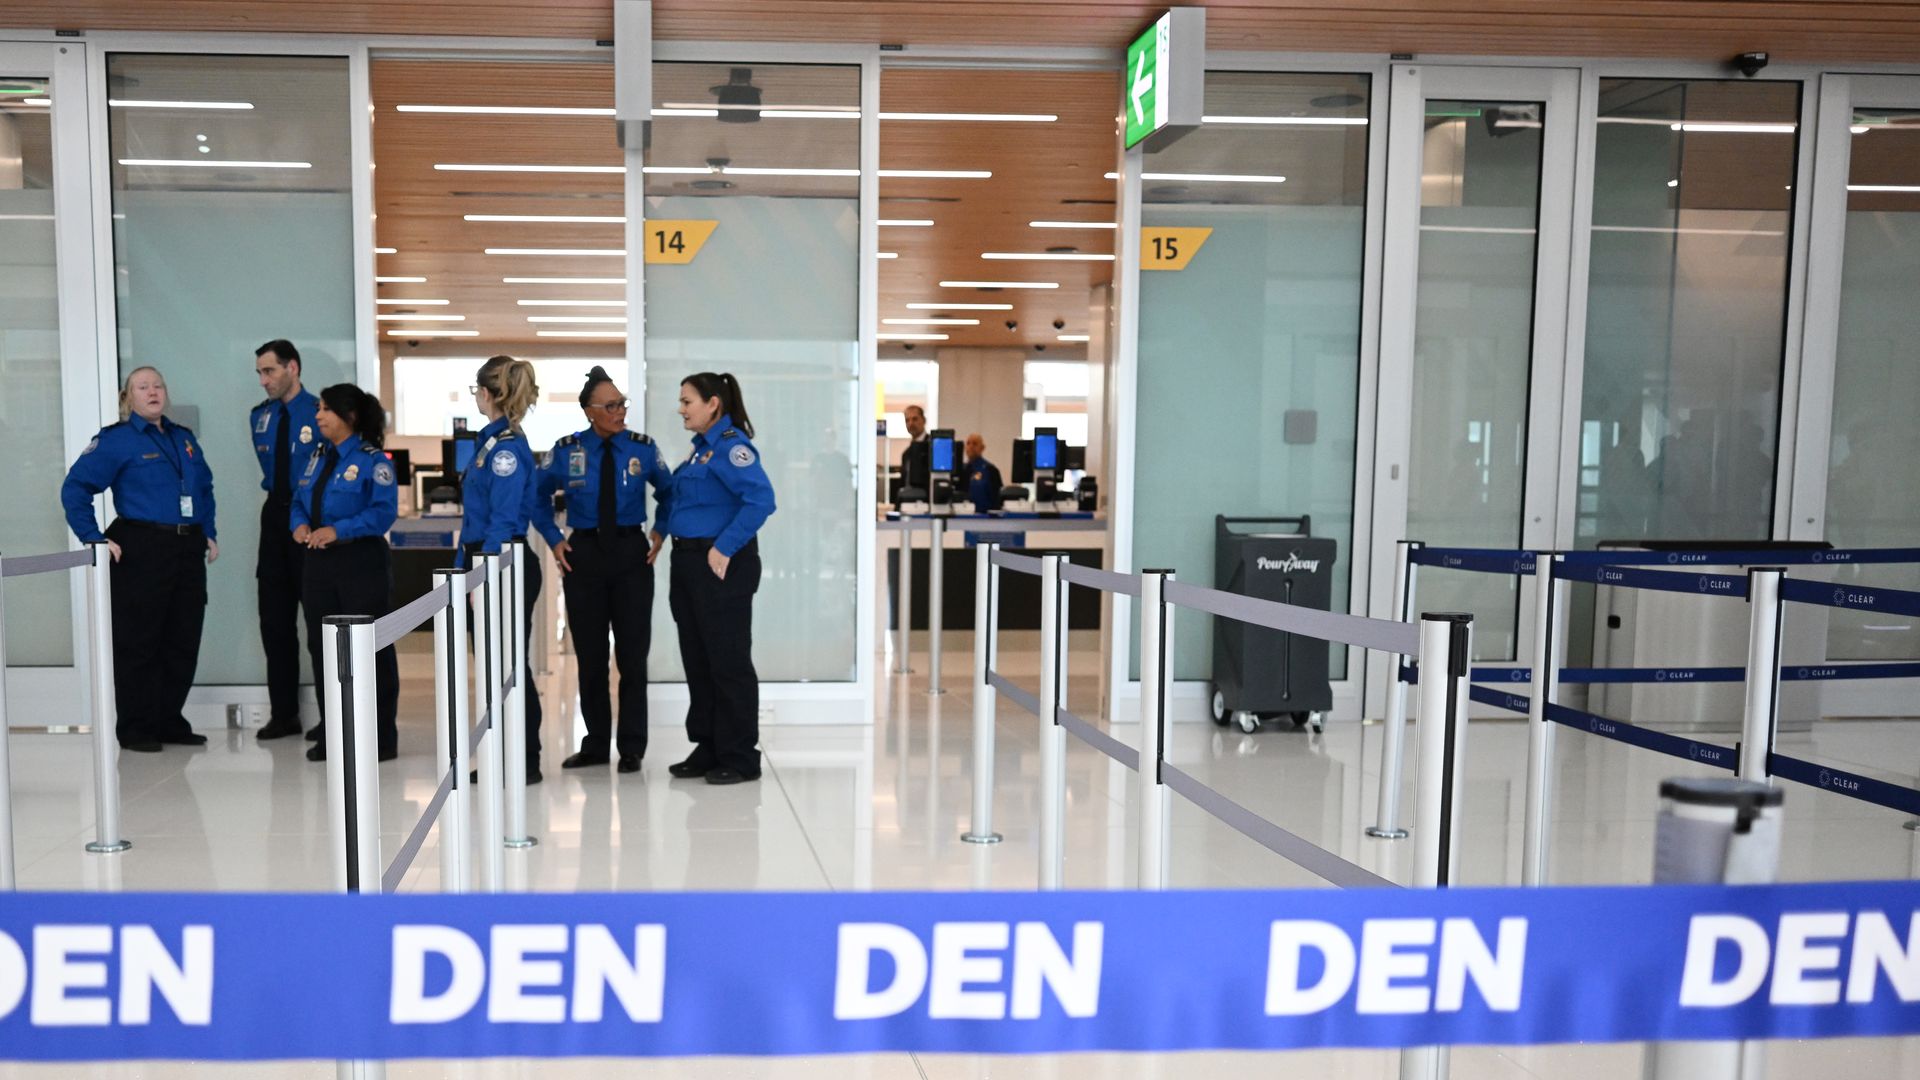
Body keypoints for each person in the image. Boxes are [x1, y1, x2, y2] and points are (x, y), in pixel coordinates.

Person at [60, 366, 218, 753]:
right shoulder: (117, 441)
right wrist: (94, 538)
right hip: (142, 546)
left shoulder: (183, 439)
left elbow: (205, 487)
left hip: (186, 547)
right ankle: (136, 727)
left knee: (182, 638)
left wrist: (208, 530)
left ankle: (169, 721)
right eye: (143, 387)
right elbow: (75, 488)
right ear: (128, 397)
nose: (153, 392)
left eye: (158, 385)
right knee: (139, 642)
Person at [532, 367, 673, 775]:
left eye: (622, 404)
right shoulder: (567, 450)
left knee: (632, 656)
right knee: (590, 656)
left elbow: (669, 494)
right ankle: (594, 744)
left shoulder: (643, 449)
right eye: (611, 406)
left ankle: (632, 746)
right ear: (590, 412)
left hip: (632, 554)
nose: (620, 412)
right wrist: (553, 539)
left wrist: (660, 533)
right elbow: (536, 497)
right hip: (585, 554)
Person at [665, 372, 776, 785]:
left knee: (728, 661)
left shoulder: (732, 448)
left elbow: (762, 500)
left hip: (721, 564)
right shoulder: (700, 453)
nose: (681, 409)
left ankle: (740, 754)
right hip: (690, 563)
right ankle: (709, 745)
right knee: (699, 659)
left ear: (713, 404)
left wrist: (724, 546)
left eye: (687, 401)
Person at [290, 384, 400, 762]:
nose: (318, 415)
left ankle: (380, 736)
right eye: (318, 408)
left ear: (349, 416)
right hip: (318, 563)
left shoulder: (374, 461)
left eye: (326, 410)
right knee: (323, 649)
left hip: (360, 562)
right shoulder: (317, 457)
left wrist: (340, 530)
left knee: (370, 650)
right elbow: (298, 500)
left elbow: (383, 513)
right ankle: (335, 733)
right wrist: (299, 525)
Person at [462, 355, 544, 784]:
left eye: (477, 389)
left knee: (509, 666)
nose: (475, 396)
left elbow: (502, 519)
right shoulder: (489, 443)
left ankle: (524, 758)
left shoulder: (506, 450)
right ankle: (502, 753)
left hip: (502, 564)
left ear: (489, 393)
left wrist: (484, 573)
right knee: (494, 666)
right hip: (487, 560)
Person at [249, 340, 320, 742]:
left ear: (292, 367)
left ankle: (331, 715)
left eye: (269, 371)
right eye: (260, 373)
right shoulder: (259, 417)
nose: (264, 380)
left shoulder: (319, 413)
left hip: (309, 518)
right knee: (274, 622)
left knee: (316, 620)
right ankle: (284, 714)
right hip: (275, 516)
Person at [961, 433, 1004, 513]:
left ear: (982, 448)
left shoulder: (991, 470)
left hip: (984, 518)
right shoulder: (961, 470)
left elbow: (996, 499)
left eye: (975, 443)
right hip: (964, 517)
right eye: (968, 443)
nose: (971, 446)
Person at [898, 403, 930, 496]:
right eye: (907, 420)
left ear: (924, 420)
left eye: (915, 419)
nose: (910, 423)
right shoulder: (906, 454)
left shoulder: (932, 446)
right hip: (909, 502)